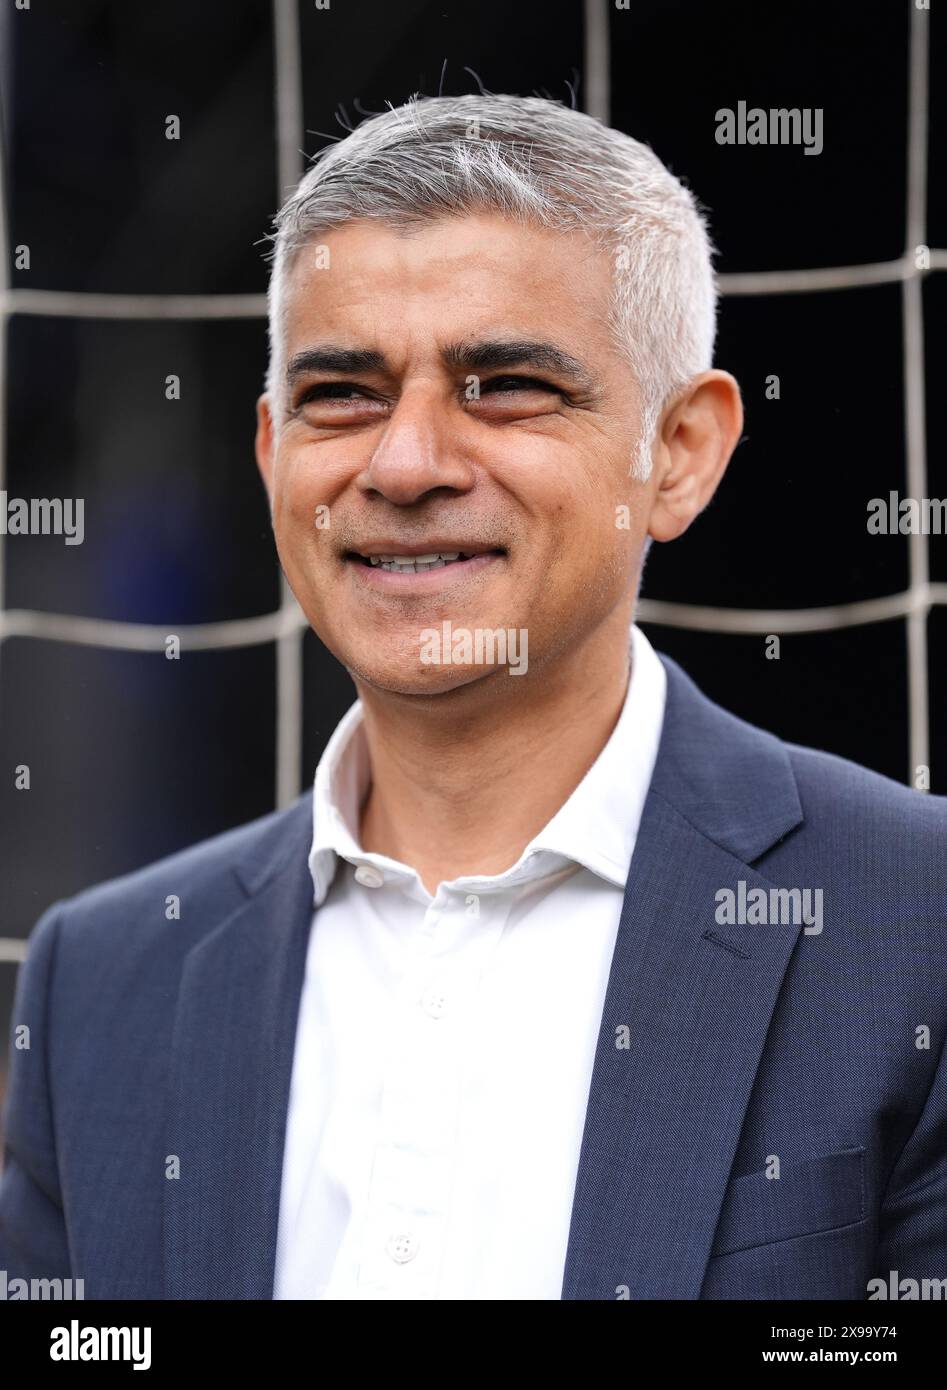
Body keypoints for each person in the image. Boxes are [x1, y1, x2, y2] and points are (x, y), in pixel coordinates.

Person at [2, 94, 945, 1301]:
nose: (403, 463)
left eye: (502, 383)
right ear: (268, 452)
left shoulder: (912, 930)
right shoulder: (102, 981)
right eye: (341, 391)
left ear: (683, 452)